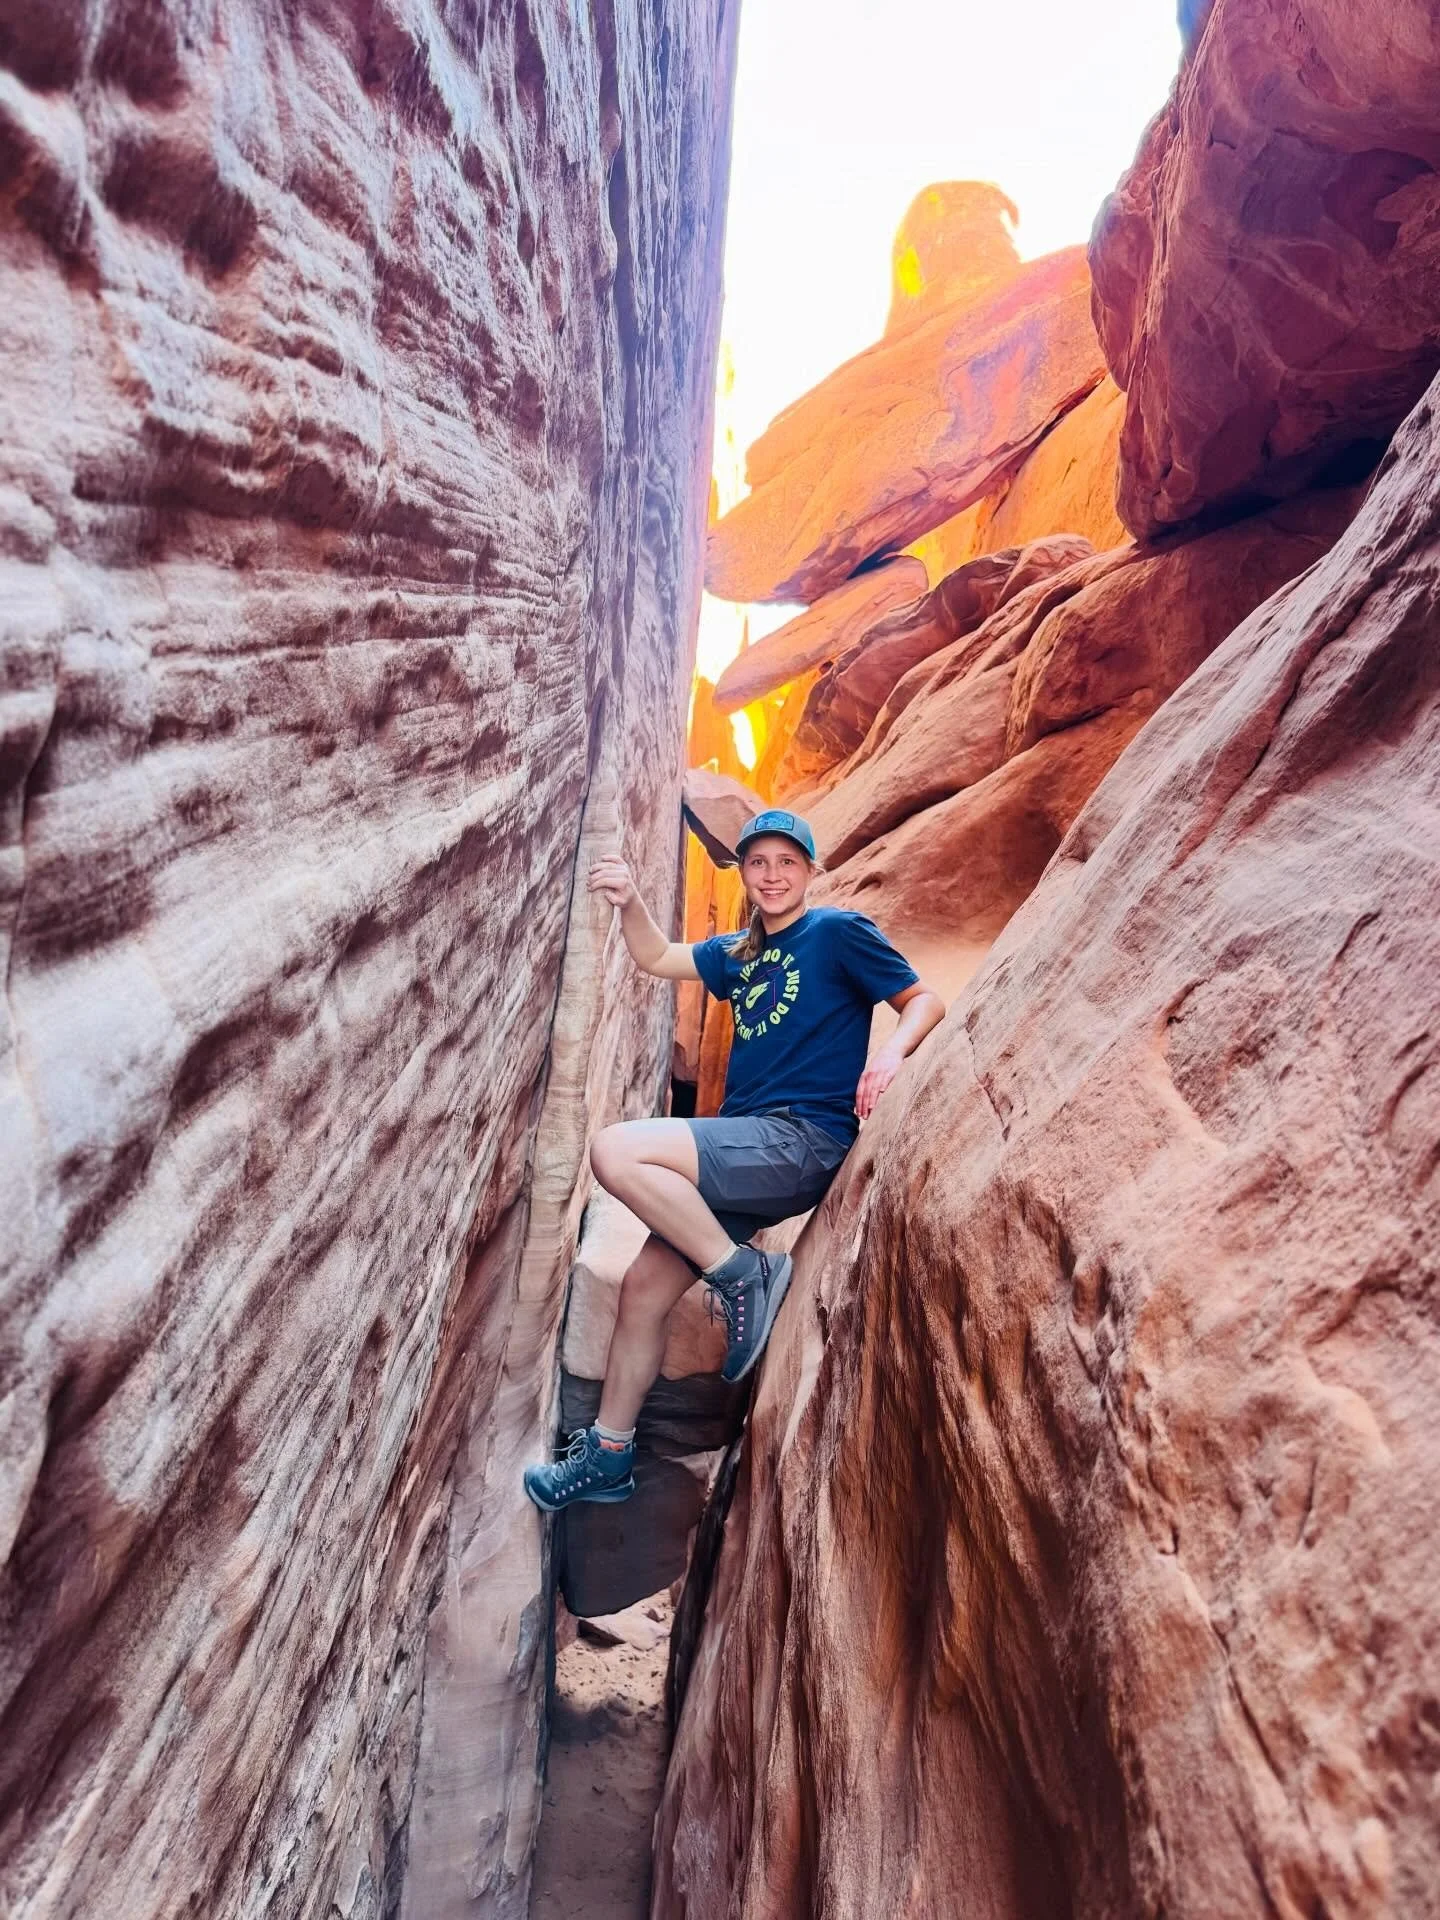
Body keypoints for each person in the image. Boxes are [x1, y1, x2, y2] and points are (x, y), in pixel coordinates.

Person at [523, 808, 945, 1511]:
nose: (772, 875)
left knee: (613, 1149)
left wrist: (890, 1055)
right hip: (748, 1147)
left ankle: (743, 1274)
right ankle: (608, 1455)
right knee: (644, 1290)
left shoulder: (836, 934)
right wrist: (629, 901)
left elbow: (922, 998)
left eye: (787, 862)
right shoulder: (740, 953)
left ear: (809, 870)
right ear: (744, 873)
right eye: (758, 863)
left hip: (800, 1139)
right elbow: (659, 957)